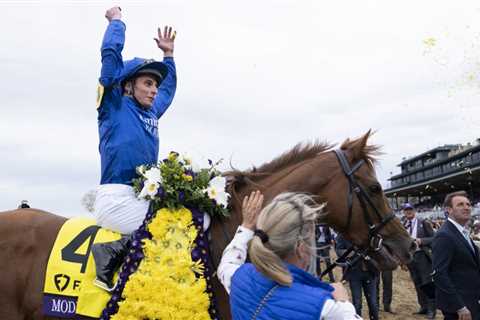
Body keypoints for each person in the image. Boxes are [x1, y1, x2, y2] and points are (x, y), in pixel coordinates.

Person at [91, 6, 177, 291]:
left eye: (155, 85)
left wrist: (169, 56)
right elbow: (111, 60)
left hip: (139, 199)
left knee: (181, 217)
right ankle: (109, 253)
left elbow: (168, 91)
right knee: (170, 226)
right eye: (148, 83)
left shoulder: (151, 113)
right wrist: (117, 23)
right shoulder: (113, 105)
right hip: (115, 199)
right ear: (128, 86)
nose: (154, 90)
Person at [217, 191, 362, 319]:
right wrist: (344, 305)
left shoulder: (240, 277)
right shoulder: (326, 308)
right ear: (300, 248)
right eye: (310, 240)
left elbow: (226, 264)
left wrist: (247, 225)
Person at [432, 191, 480, 320]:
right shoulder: (444, 235)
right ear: (449, 210)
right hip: (460, 308)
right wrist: (459, 307)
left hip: (473, 301)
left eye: (468, 204)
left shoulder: (462, 232)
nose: (466, 207)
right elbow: (440, 274)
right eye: (460, 204)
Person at [402, 203, 436, 319]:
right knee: (417, 283)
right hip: (410, 258)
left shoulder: (424, 222)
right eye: (406, 210)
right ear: (403, 212)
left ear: (414, 210)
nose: (408, 212)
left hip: (422, 255)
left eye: (410, 209)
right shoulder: (403, 225)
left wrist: (421, 241)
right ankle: (423, 307)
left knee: (427, 282)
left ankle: (432, 309)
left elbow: (434, 238)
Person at [335, 234, 379, 320]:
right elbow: (339, 250)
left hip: (370, 272)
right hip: (354, 273)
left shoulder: (369, 232)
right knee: (357, 303)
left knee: (373, 303)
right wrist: (352, 253)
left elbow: (378, 250)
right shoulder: (343, 234)